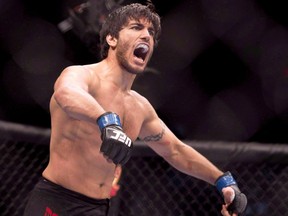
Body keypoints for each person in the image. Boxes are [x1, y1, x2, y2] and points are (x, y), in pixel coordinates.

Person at [24, 1, 247, 216]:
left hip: (99, 208)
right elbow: (66, 93)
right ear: (111, 38)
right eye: (136, 27)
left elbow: (175, 150)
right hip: (56, 202)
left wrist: (223, 181)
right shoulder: (82, 75)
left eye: (151, 32)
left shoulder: (139, 107)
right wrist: (106, 120)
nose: (147, 35)